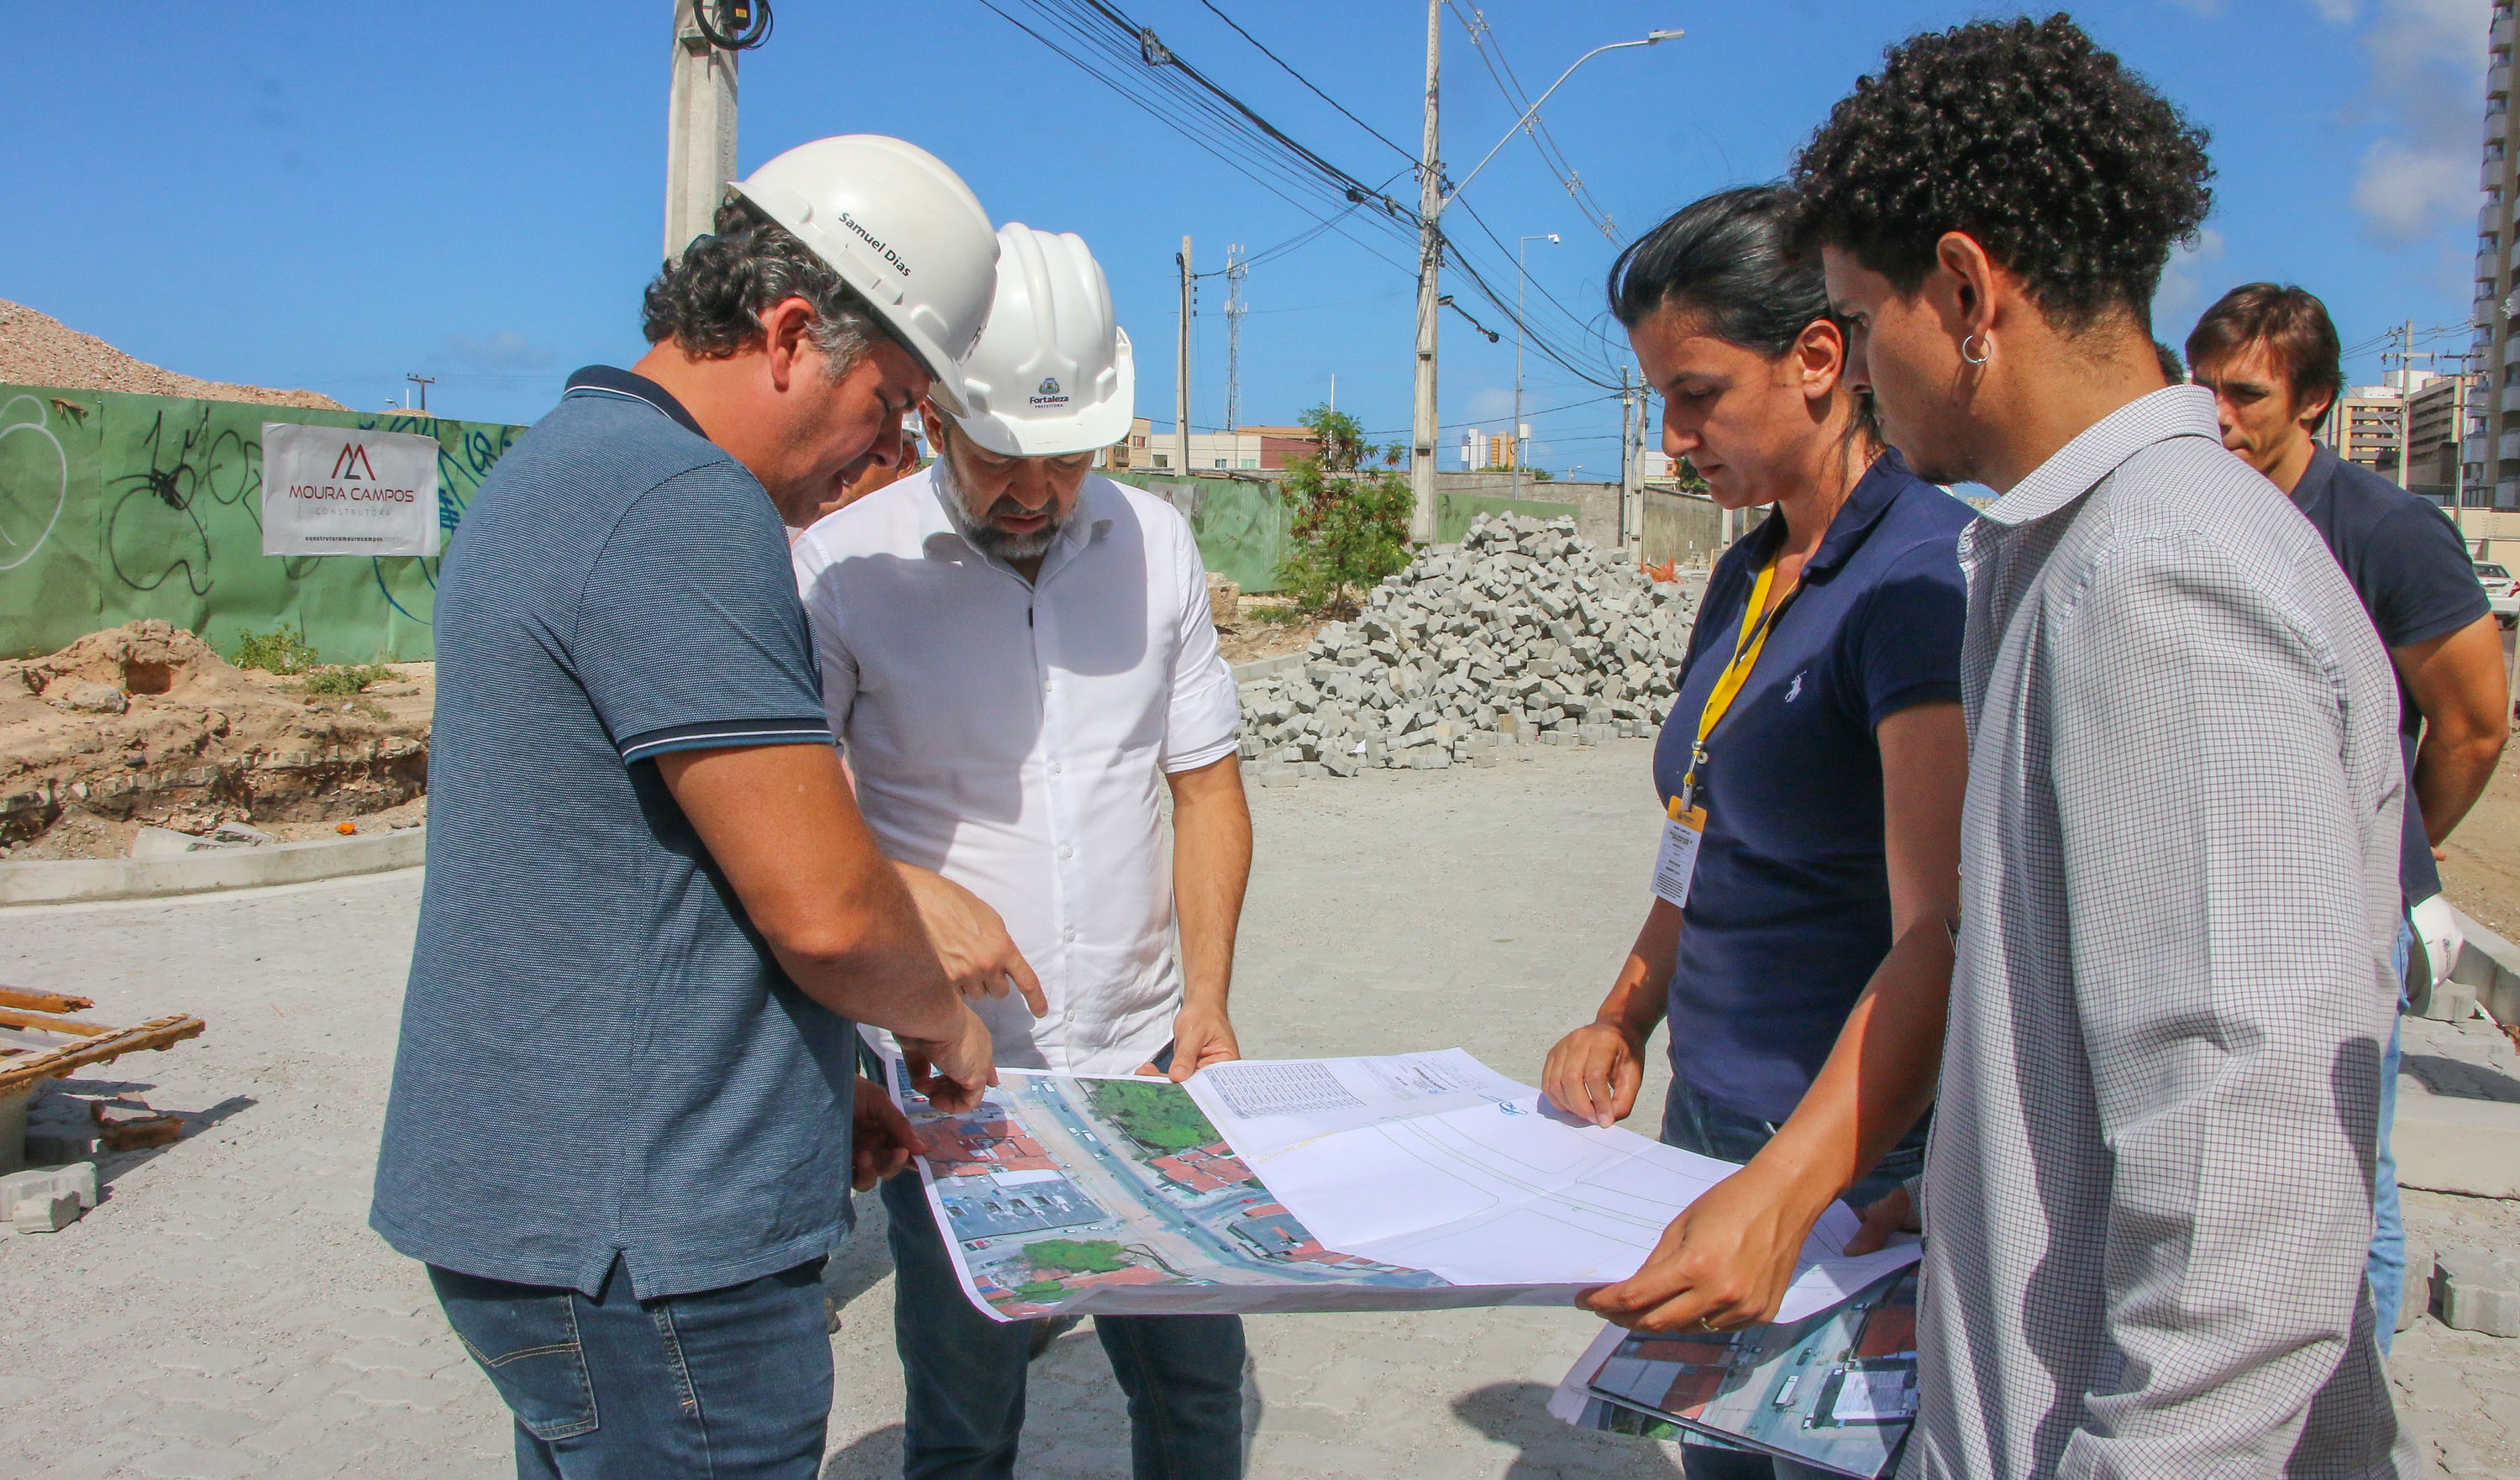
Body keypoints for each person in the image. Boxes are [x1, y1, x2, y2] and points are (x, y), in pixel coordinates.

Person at [1792, 17, 2418, 1475]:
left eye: (1860, 314)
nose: (1859, 368)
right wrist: (1973, 1201)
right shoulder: (2066, 551)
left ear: (1962, 292)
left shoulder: (2161, 576)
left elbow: (2239, 1216)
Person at [371, 136, 1040, 1480]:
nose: (892, 452)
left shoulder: (571, 460)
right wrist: (946, 1025)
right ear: (793, 334)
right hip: (653, 1248)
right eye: (893, 404)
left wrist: (817, 1086)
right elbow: (830, 912)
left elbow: (654, 879)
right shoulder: (684, 506)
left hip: (566, 1217)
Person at [793, 224, 1254, 1480]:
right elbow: (790, 827)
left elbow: (1206, 787)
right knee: (964, 1421)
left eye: (1068, 455)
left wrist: (1207, 999)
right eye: (1004, 452)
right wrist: (899, 916)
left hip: (1151, 1062)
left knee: (1201, 1398)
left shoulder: (1156, 545)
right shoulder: (842, 569)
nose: (1038, 490)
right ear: (934, 407)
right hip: (956, 1089)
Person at [1541, 186, 1970, 1480]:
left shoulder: (1915, 583)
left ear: (1821, 360)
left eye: (1698, 394)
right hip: (1708, 1129)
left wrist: (1794, 1191)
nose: (1674, 440)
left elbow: (1940, 937)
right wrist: (1623, 1014)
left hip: (1852, 1165)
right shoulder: (1744, 570)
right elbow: (1704, 830)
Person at [2187, 283, 2510, 1346]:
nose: (2218, 415)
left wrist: (2394, 854)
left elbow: (2471, 724)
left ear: (2317, 399)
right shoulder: (2193, 514)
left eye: (2245, 393)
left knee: (2349, 1170)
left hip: (2342, 919)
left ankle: (2350, 1422)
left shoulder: (2384, 531)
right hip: (2216, 902)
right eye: (2202, 389)